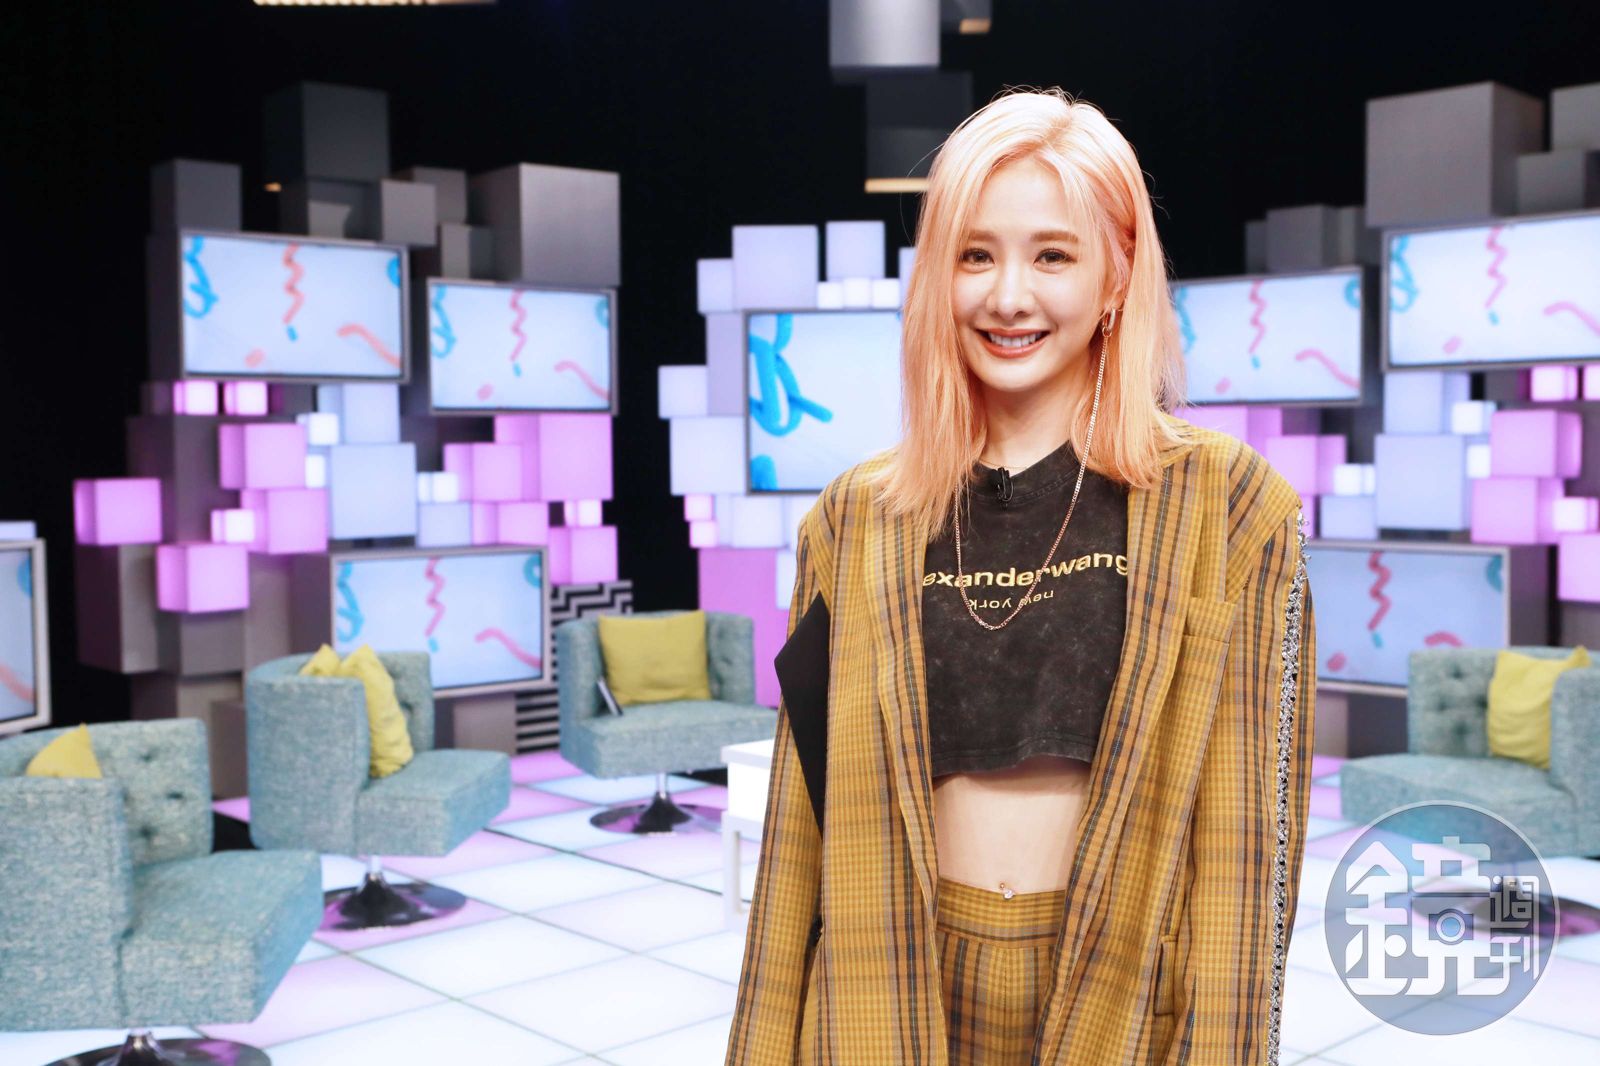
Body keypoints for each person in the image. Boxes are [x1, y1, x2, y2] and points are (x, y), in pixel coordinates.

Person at [726, 88, 1316, 1065]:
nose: (1007, 296)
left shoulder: (1232, 507)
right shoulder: (852, 519)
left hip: (1120, 992)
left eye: (1051, 255)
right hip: (890, 985)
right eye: (974, 255)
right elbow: (801, 827)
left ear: (1116, 274)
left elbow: (1249, 851)